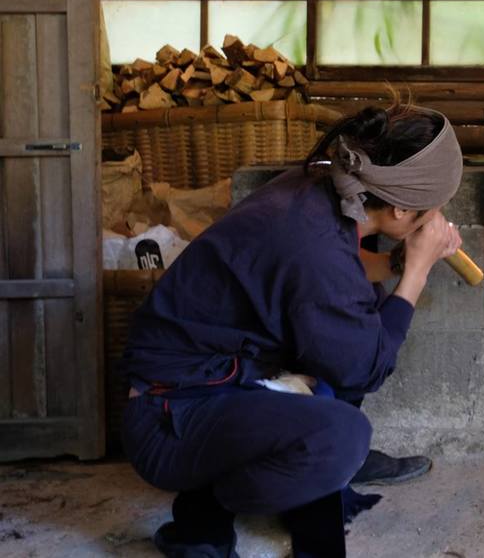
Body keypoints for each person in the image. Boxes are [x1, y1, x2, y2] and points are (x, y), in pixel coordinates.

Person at [120, 102, 464, 557]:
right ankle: (209, 505)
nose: (438, 213)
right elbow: (366, 368)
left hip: (221, 371)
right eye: (434, 206)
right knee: (342, 438)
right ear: (400, 210)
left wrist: (398, 262)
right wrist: (417, 271)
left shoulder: (320, 186)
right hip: (168, 415)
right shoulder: (315, 248)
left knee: (363, 315)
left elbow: (333, 268)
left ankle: (296, 473)